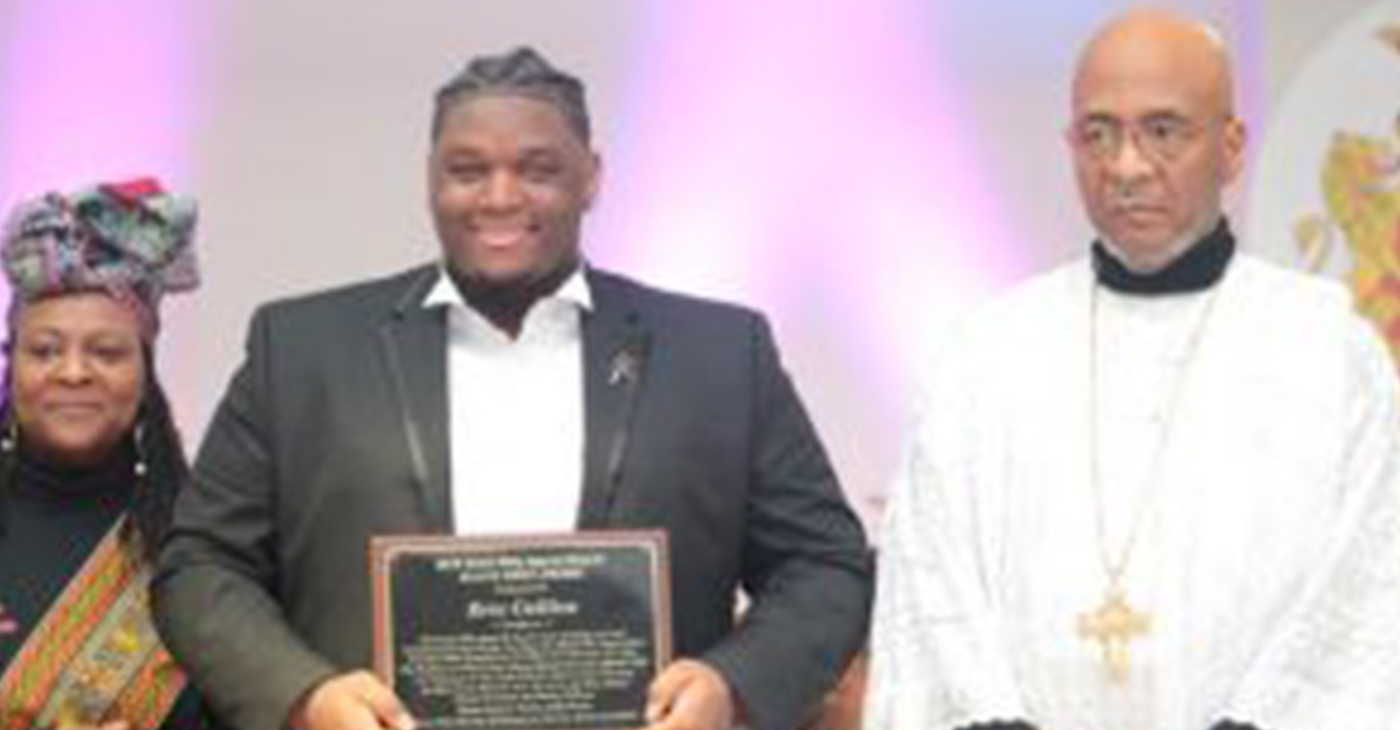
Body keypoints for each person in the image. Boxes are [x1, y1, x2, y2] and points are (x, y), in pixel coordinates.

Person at [153, 47, 871, 730]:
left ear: (592, 176)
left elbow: (825, 565)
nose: (500, 197)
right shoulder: (303, 350)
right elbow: (200, 566)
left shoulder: (717, 353)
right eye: (468, 170)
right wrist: (304, 697)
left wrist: (731, 688)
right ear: (430, 176)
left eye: (538, 169)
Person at [867, 8, 1400, 730]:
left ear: (1232, 146)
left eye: (1163, 130)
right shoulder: (986, 353)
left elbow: (1366, 590)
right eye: (1099, 133)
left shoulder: (1327, 349)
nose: (1126, 166)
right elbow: (933, 586)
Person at [0, 178, 206, 729]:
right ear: (11, 365)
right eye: (44, 350)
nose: (73, 372)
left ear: (144, 372)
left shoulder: (201, 537)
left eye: (107, 352)